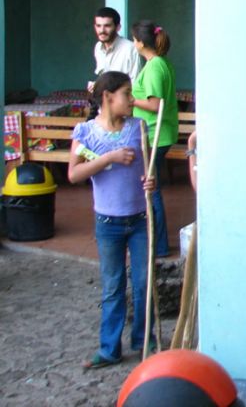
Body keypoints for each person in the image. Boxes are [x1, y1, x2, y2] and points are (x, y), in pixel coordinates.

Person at [68, 71, 155, 369]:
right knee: (113, 285)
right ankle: (109, 348)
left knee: (144, 282)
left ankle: (145, 341)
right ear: (108, 97)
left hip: (141, 218)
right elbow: (74, 174)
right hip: (107, 222)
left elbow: (147, 168)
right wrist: (108, 158)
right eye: (127, 94)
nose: (132, 100)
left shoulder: (138, 127)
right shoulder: (85, 132)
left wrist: (149, 181)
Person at [130, 21, 179, 258]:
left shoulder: (154, 66)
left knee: (152, 190)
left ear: (140, 42)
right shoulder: (159, 63)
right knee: (153, 188)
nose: (133, 43)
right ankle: (156, 243)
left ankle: (158, 245)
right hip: (157, 134)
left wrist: (130, 101)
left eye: (134, 39)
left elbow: (155, 103)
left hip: (155, 135)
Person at [89, 7, 142, 92]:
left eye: (107, 26)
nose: (102, 30)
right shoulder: (98, 48)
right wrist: (97, 85)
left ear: (118, 27)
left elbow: (135, 85)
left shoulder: (130, 49)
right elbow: (105, 79)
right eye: (98, 26)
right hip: (105, 102)